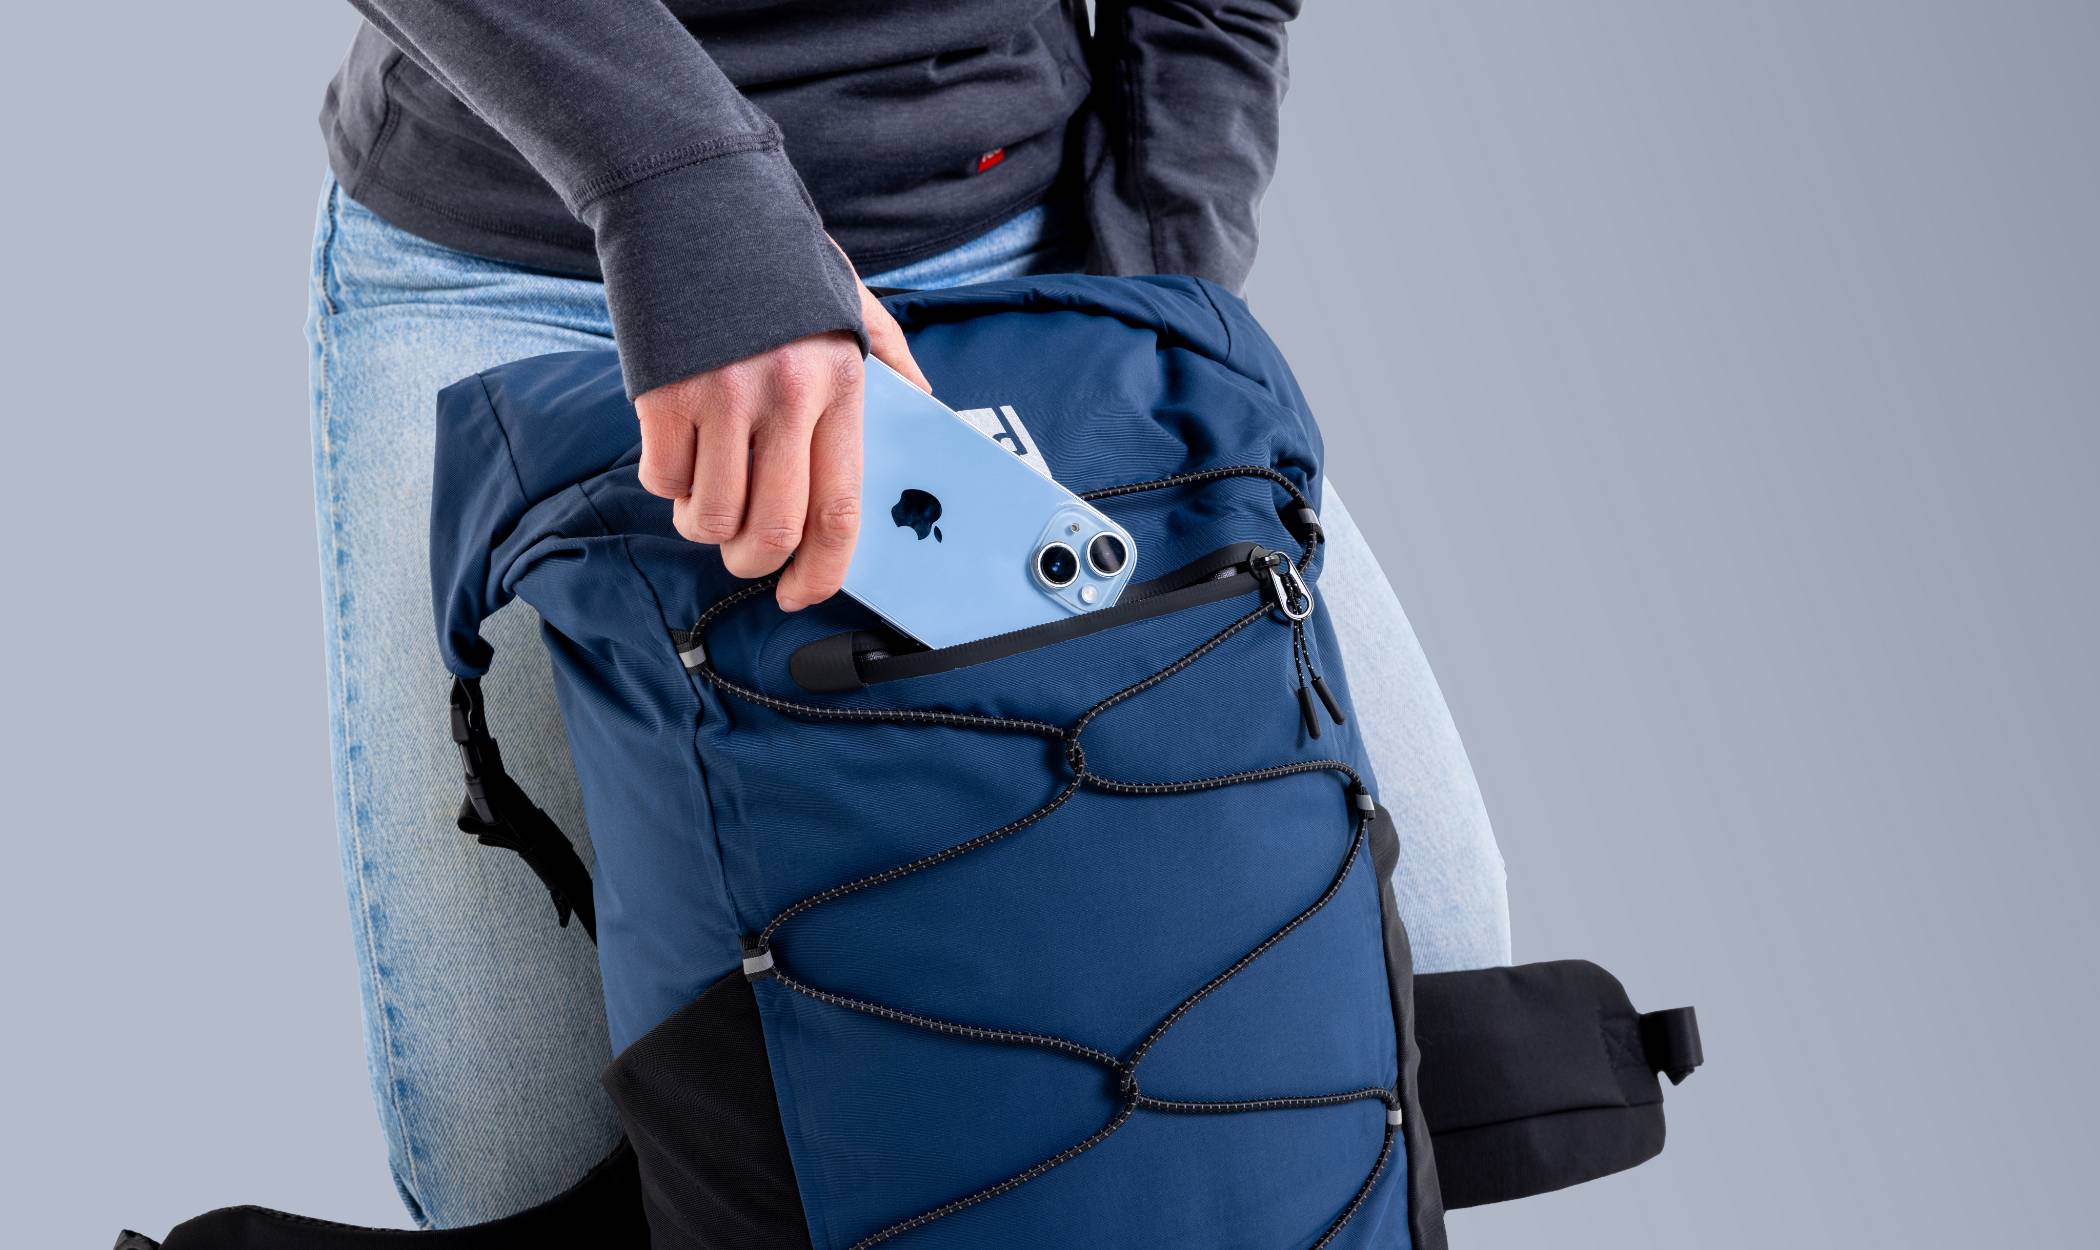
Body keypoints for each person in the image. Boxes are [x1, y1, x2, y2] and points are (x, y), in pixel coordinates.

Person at [308, 0, 1510, 1228]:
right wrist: (688, 205)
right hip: (545, 246)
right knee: (517, 1160)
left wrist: (1145, 289)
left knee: (1439, 962)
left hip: (1023, 238)